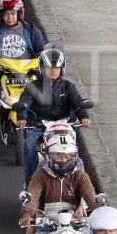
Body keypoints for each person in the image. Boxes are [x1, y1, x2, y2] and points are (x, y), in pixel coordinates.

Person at [18, 134, 99, 234]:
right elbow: (33, 195)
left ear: (74, 157)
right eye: (58, 156)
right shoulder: (40, 175)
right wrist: (28, 213)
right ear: (49, 157)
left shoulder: (80, 175)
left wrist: (98, 211)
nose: (63, 160)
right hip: (46, 222)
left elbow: (92, 199)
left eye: (67, 156)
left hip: (76, 222)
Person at [17, 48, 94, 184]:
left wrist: (84, 116)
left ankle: (81, 186)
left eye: (56, 67)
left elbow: (78, 103)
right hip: (39, 126)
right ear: (41, 67)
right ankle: (30, 186)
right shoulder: (32, 86)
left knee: (74, 151)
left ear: (62, 69)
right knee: (29, 148)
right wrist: (22, 117)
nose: (53, 70)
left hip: (64, 126)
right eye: (49, 67)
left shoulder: (68, 87)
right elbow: (24, 103)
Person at [0, 0, 48, 110]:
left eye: (13, 13)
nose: (10, 17)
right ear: (1, 15)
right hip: (3, 69)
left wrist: (44, 59)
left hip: (28, 69)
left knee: (47, 86)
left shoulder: (31, 30)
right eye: (6, 14)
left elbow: (42, 49)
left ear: (19, 14)